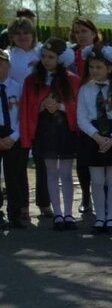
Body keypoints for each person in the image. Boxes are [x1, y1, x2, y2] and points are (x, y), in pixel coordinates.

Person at [20, 39, 79, 231]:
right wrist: (41, 106)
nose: (46, 60)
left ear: (60, 59)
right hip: (44, 130)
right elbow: (26, 108)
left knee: (66, 173)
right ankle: (58, 214)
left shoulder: (72, 80)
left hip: (65, 131)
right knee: (51, 172)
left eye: (51, 57)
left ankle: (69, 214)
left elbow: (78, 107)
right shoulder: (32, 80)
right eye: (44, 56)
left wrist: (60, 106)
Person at [76, 47, 112, 233]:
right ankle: (100, 217)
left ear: (109, 68)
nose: (94, 70)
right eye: (91, 67)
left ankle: (111, 217)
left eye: (99, 67)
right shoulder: (85, 90)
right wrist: (96, 137)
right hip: (93, 137)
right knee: (97, 180)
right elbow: (81, 118)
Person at [5, 16, 47, 222]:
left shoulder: (41, 53)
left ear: (33, 34)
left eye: (26, 32)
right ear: (11, 36)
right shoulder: (8, 56)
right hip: (17, 113)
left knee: (43, 160)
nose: (22, 37)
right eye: (18, 33)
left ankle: (45, 203)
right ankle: (22, 205)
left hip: (41, 110)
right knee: (19, 163)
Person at [69, 17, 104, 213]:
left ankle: (105, 197)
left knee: (102, 156)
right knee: (82, 158)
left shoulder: (102, 53)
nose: (80, 35)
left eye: (84, 31)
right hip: (77, 110)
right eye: (77, 32)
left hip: (100, 109)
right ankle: (85, 196)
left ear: (93, 32)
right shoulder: (69, 56)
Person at [0, 51, 16, 229]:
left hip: (12, 134)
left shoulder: (17, 87)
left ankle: (15, 213)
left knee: (14, 175)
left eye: (1, 64)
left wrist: (13, 137)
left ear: (8, 66)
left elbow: (22, 116)